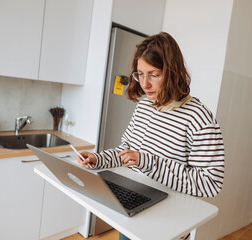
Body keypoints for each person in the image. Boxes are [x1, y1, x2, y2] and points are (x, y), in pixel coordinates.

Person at [77, 32, 225, 240]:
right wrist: (98, 159)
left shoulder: (199, 118)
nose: (144, 84)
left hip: (167, 225)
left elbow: (210, 183)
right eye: (140, 74)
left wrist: (148, 161)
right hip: (133, 209)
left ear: (173, 72)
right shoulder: (145, 105)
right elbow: (125, 150)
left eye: (153, 74)